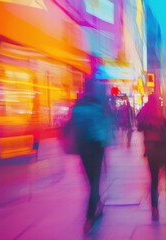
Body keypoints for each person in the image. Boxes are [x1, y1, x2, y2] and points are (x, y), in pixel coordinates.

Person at [70, 79, 111, 234]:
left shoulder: (77, 106)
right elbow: (103, 128)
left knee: (90, 180)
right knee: (94, 183)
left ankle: (98, 205)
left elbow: (74, 128)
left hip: (83, 149)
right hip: (95, 147)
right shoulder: (97, 105)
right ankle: (89, 219)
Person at [137, 93, 166, 221]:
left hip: (151, 150)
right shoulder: (163, 110)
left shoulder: (144, 111)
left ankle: (154, 208)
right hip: (164, 148)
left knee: (154, 179)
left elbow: (139, 127)